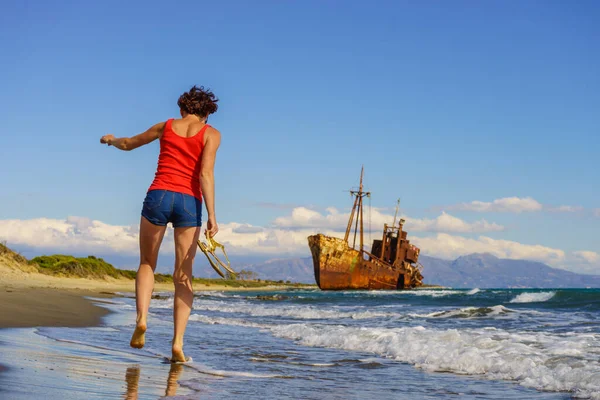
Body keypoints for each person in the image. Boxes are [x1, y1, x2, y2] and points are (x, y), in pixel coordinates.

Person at [100, 85, 221, 362]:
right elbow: (205, 174)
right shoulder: (211, 134)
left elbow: (129, 143)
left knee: (146, 263)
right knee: (183, 275)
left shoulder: (166, 126)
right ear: (206, 114)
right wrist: (212, 215)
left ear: (182, 108)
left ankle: (142, 319)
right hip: (189, 203)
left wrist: (111, 140)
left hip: (159, 195)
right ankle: (177, 344)